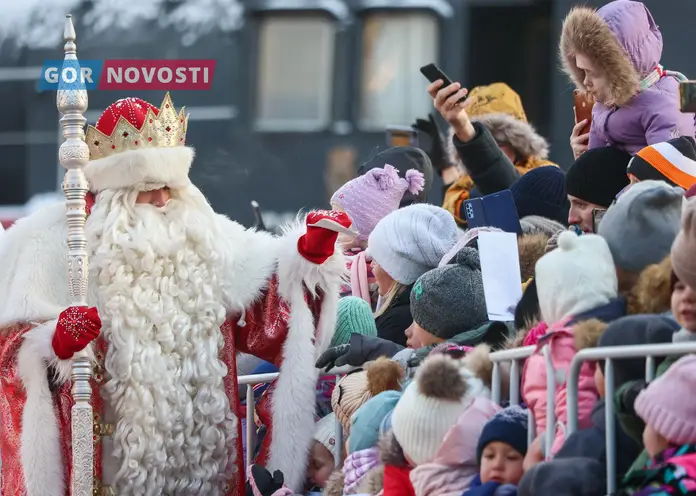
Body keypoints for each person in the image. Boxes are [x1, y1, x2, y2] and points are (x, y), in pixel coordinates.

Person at [0, 94, 349, 495]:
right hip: (108, 472)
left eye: (171, 186)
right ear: (114, 194)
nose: (164, 200)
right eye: (149, 189)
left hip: (204, 469)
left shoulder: (204, 235)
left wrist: (310, 255)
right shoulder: (52, 243)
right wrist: (57, 343)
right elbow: (12, 360)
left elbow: (268, 318)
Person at [562, 0, 695, 158]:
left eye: (592, 73)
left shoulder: (665, 107)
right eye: (582, 72)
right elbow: (592, 173)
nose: (585, 82)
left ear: (615, 70)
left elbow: (670, 178)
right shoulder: (603, 105)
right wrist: (582, 159)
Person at [424, 82, 557, 227]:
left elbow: (508, 187)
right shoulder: (462, 184)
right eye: (488, 143)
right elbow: (453, 213)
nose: (492, 150)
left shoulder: (546, 176)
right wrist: (447, 169)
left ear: (518, 144)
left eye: (498, 142)